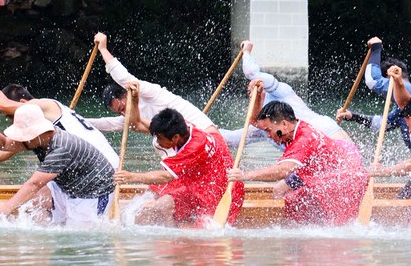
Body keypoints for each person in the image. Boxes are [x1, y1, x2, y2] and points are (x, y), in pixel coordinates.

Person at [228, 100, 368, 225]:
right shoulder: (290, 127)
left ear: (284, 124)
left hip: (343, 174)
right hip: (318, 167)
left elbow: (282, 171)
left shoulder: (303, 139)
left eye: (268, 131)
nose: (268, 136)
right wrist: (258, 95)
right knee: (283, 193)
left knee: (299, 201)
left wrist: (245, 175)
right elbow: (255, 122)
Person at [0, 104, 115, 226]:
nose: (22, 139)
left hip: (93, 193)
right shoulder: (38, 139)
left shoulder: (61, 147)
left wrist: (6, 208)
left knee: (78, 238)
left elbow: (34, 183)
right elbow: (5, 144)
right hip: (67, 185)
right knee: (36, 202)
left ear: (36, 133)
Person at [114, 108, 244, 227]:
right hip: (198, 182)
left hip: (221, 190)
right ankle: (173, 237)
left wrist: (131, 177)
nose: (158, 142)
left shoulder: (193, 147)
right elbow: (139, 125)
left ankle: (179, 240)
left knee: (205, 239)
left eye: (159, 138)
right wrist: (134, 105)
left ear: (175, 138)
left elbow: (165, 176)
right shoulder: (181, 127)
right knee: (160, 204)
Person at [0, 66, 118, 168]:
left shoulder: (42, 105)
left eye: (10, 115)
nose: (11, 121)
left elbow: (2, 104)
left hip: (101, 163)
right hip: (88, 164)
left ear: (23, 104)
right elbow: (7, 147)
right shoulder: (36, 126)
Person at [220, 40, 352, 147]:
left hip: (325, 131)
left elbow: (251, 73)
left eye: (253, 89)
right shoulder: (263, 125)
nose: (251, 93)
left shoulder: (281, 92)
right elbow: (233, 139)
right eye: (249, 92)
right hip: (306, 147)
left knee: (352, 168)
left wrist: (246, 51)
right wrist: (204, 128)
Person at [86, 33, 216, 136]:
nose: (124, 114)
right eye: (119, 113)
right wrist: (70, 119)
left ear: (127, 92)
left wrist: (103, 49)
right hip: (188, 140)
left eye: (122, 108)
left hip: (205, 131)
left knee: (231, 139)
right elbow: (108, 124)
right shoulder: (132, 119)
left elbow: (124, 78)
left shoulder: (148, 92)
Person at [340, 36, 411, 154]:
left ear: (392, 77)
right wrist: (352, 116)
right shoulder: (404, 107)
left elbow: (372, 80)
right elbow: (383, 124)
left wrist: (376, 49)